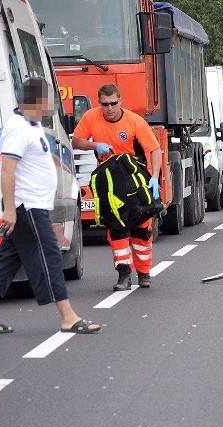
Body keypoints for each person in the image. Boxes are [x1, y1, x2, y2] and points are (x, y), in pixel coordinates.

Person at [0, 78, 101, 335]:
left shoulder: (32, 125)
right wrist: (9, 209)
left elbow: (37, 156)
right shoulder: (18, 128)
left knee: (9, 259)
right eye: (47, 103)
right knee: (49, 256)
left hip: (31, 205)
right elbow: (8, 169)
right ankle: (68, 316)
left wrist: (55, 165)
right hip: (26, 206)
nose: (49, 108)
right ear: (35, 101)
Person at [72, 84, 162, 291]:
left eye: (113, 103)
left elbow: (154, 150)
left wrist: (155, 178)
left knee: (141, 229)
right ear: (99, 103)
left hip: (134, 177)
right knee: (116, 227)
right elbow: (77, 140)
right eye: (105, 104)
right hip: (109, 180)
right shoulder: (91, 117)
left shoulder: (135, 122)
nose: (109, 108)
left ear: (120, 101)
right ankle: (124, 274)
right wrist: (95, 145)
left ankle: (144, 272)